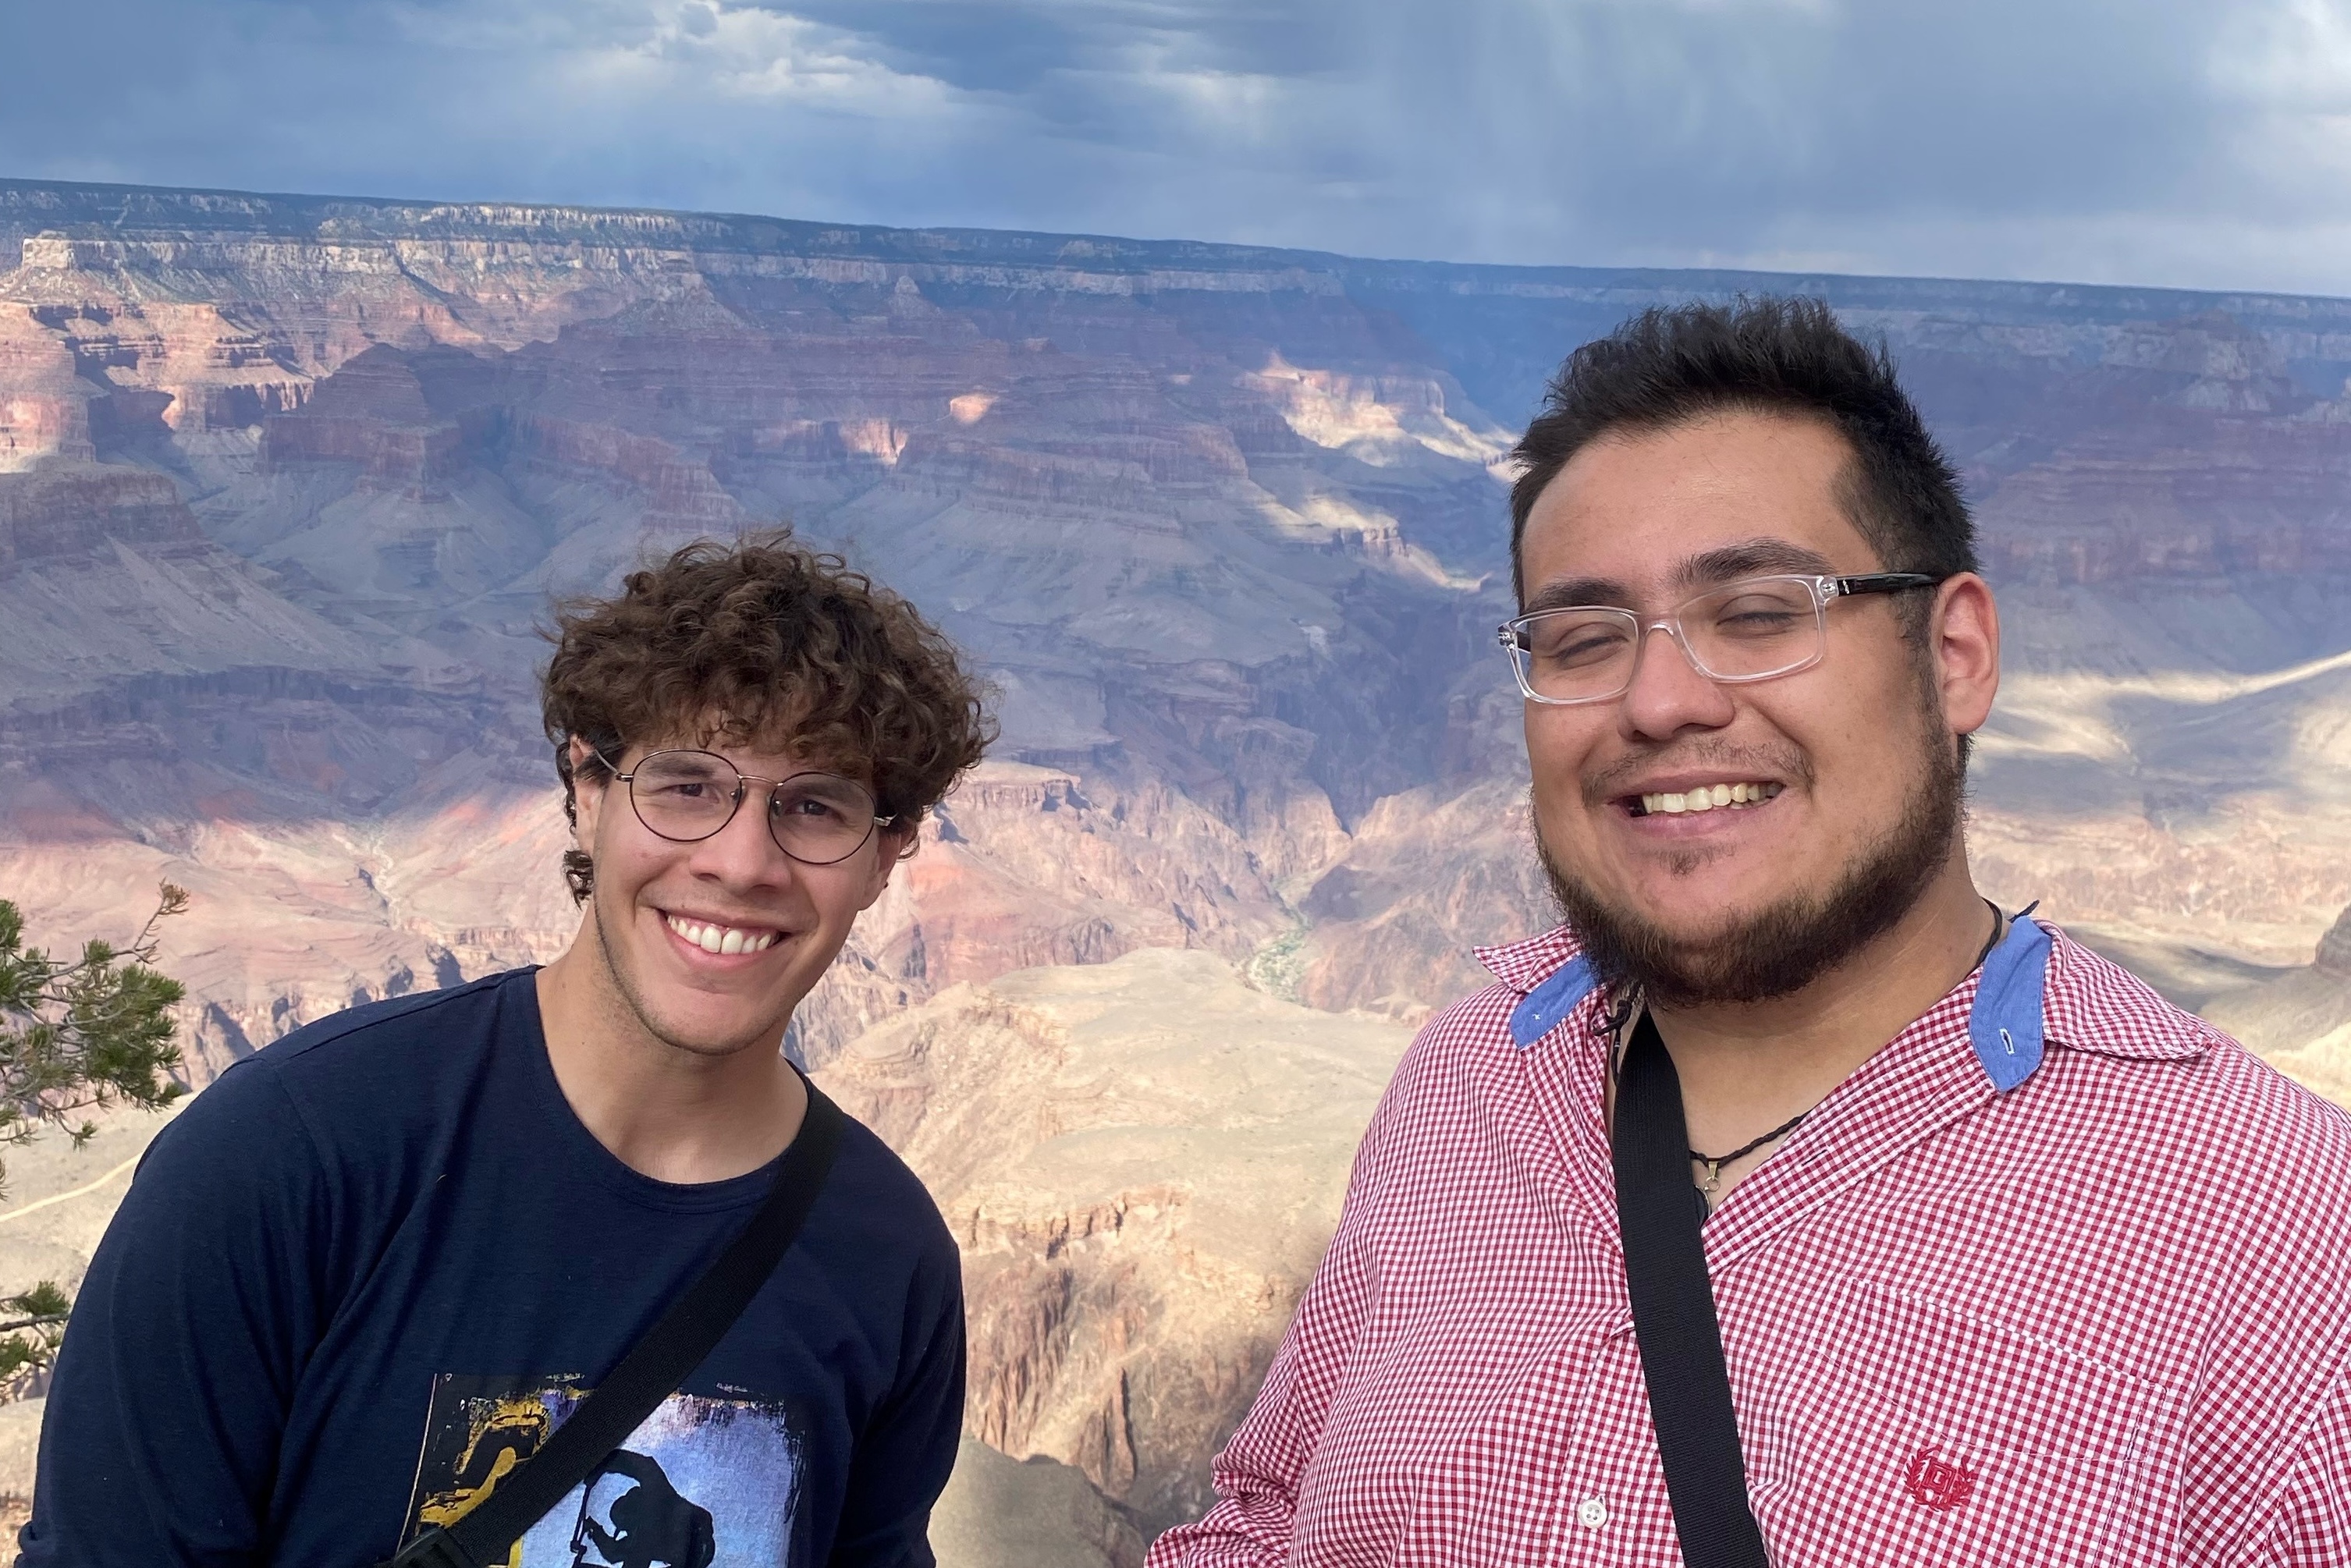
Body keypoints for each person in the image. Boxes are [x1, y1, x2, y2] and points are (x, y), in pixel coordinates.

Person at [1148, 299, 2351, 1566]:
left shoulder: (2282, 1256)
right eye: (1583, 637)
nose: (1660, 699)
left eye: (1763, 611)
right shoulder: (1461, 1085)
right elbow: (1268, 1519)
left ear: (1953, 657)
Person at [23, 531, 993, 1566]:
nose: (742, 860)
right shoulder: (291, 1159)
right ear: (586, 786)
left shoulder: (883, 1252)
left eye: (813, 806)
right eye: (686, 784)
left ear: (889, 851)